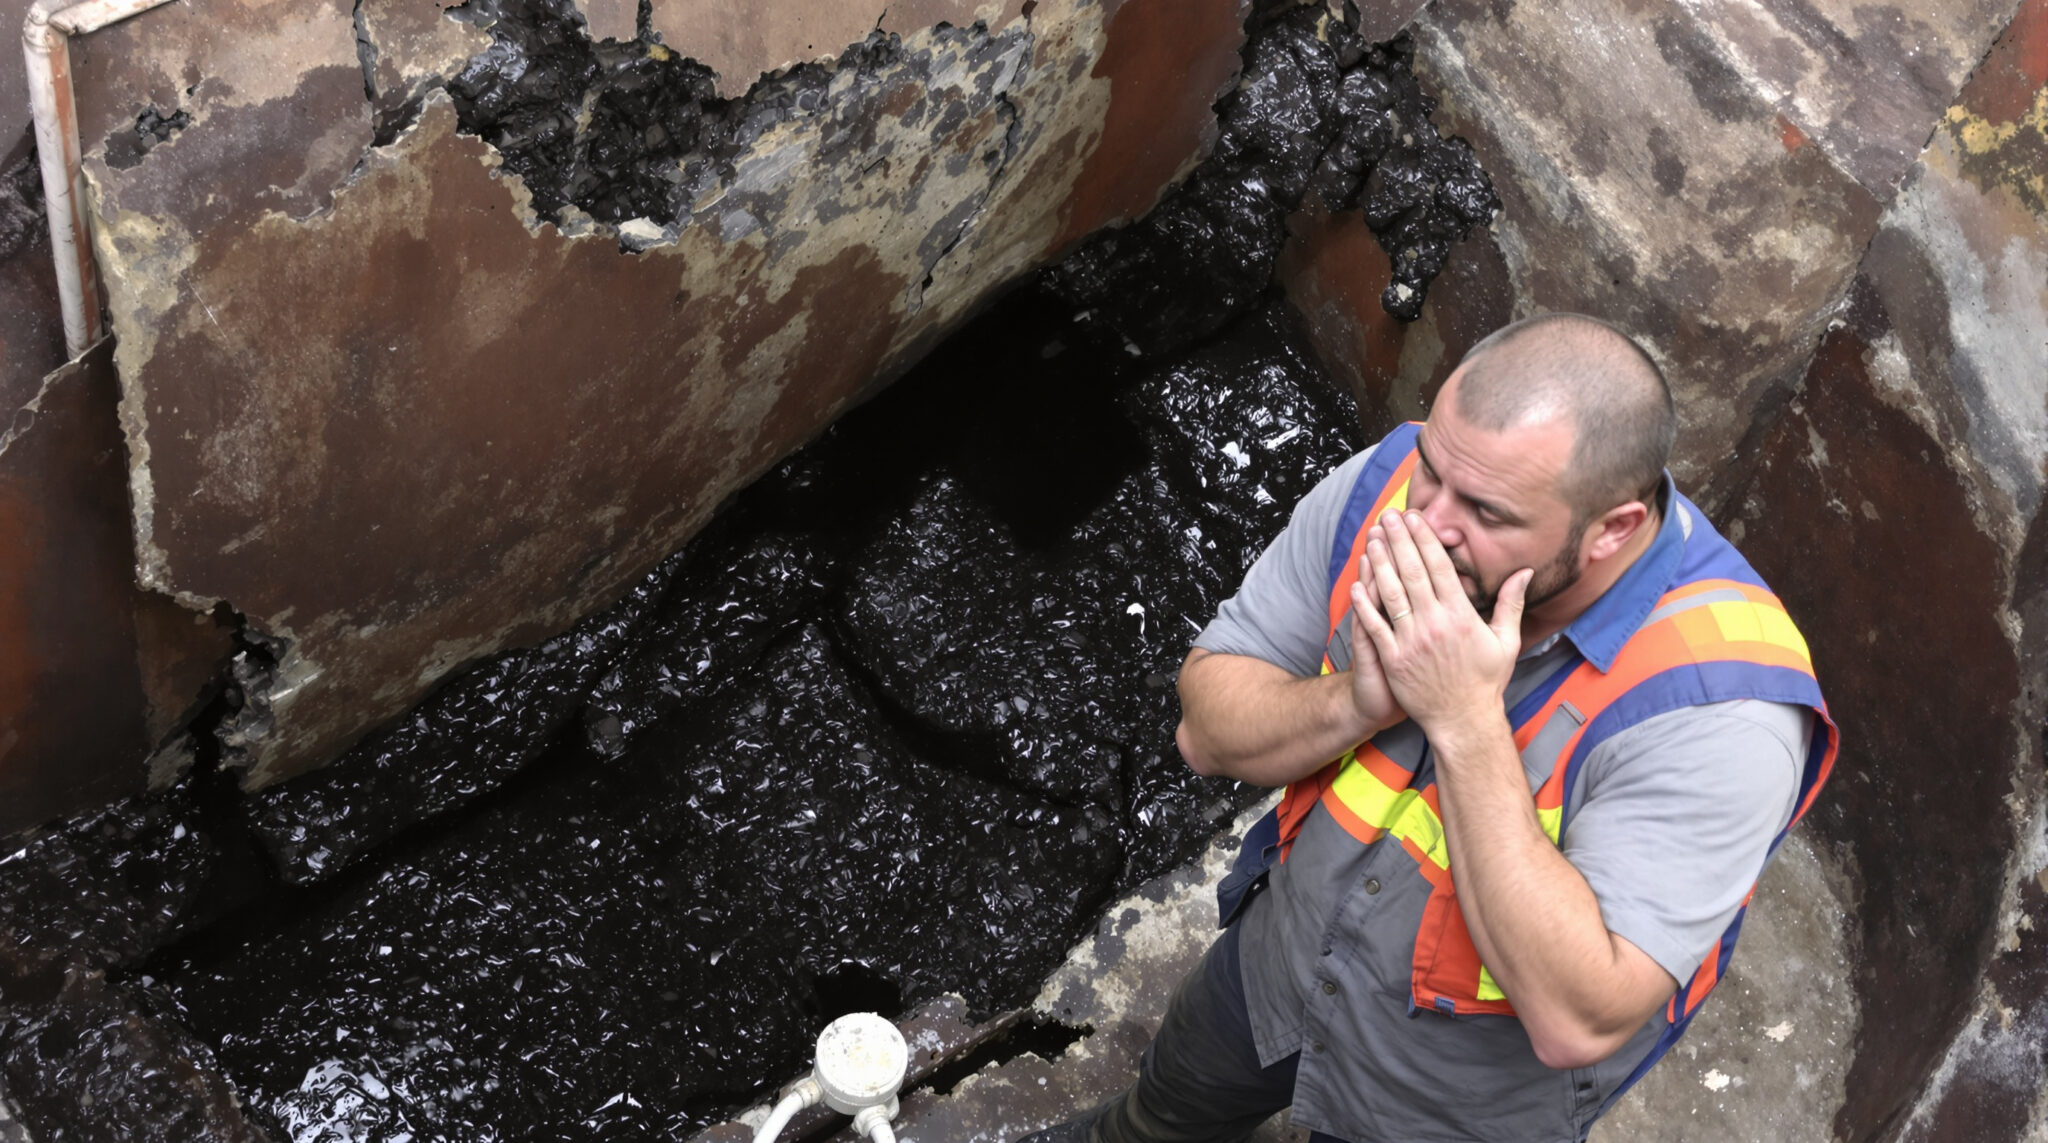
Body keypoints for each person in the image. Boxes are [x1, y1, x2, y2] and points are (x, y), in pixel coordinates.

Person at [1019, 313, 1837, 1143]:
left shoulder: (1722, 710)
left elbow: (1576, 1019)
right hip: (1278, 967)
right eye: (1432, 471)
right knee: (1153, 1123)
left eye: (1484, 510)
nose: (1425, 523)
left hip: (1444, 1098)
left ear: (1613, 529)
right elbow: (1204, 730)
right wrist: (1357, 701)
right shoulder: (1393, 480)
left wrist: (1465, 717)